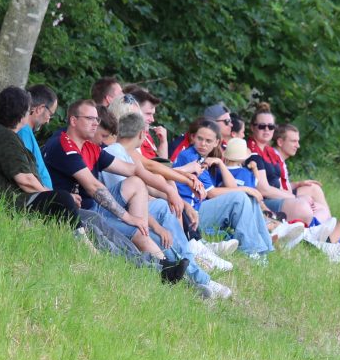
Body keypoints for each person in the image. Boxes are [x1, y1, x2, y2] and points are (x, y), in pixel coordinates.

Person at [42, 99, 188, 282]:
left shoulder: (90, 147)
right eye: (90, 119)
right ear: (73, 120)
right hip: (74, 212)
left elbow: (134, 170)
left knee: (136, 183)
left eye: (96, 119)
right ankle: (162, 267)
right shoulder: (63, 145)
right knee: (133, 229)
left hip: (93, 209)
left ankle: (165, 262)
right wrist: (128, 218)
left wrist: (169, 190)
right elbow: (94, 187)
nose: (95, 123)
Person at [103, 112, 233, 298]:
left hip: (131, 213)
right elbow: (126, 203)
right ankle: (197, 276)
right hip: (118, 216)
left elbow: (150, 183)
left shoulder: (124, 153)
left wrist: (177, 198)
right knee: (161, 227)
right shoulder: (115, 153)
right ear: (142, 134)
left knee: (165, 207)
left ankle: (192, 269)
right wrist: (157, 226)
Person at [0, 86, 80, 226]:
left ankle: (82, 234)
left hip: (5, 198)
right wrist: (51, 196)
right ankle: (80, 236)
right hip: (0, 201)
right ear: (21, 114)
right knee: (63, 199)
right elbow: (25, 180)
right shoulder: (4, 138)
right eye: (28, 111)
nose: (30, 114)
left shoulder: (1, 133)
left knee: (65, 202)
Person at [173, 120, 279, 260]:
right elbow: (212, 193)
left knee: (248, 198)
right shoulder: (190, 157)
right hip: (190, 214)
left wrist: (220, 163)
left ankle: (264, 249)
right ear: (193, 138)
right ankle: (251, 251)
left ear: (216, 142)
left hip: (198, 209)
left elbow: (232, 187)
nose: (203, 144)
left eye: (208, 141)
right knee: (240, 198)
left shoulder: (205, 158)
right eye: (200, 138)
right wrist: (246, 188)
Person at [274, 124, 340, 252]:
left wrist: (298, 184)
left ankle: (326, 229)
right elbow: (273, 188)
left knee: (313, 188)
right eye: (293, 141)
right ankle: (326, 233)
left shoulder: (280, 159)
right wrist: (298, 197)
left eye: (298, 141)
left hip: (283, 195)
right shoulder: (272, 158)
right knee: (319, 208)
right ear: (280, 142)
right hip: (276, 200)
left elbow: (281, 185)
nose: (297, 145)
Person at [245, 102, 321, 227]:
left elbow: (279, 184)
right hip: (261, 202)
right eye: (262, 126)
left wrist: (296, 188)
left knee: (316, 205)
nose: (267, 129)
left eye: (271, 126)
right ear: (252, 128)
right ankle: (312, 230)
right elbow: (263, 189)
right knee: (302, 207)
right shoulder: (251, 151)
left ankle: (322, 231)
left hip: (275, 198)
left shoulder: (270, 153)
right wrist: (294, 197)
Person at [16, 84, 58, 189]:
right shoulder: (23, 131)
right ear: (40, 109)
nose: (48, 121)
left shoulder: (26, 131)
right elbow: (26, 175)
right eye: (50, 115)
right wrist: (51, 195)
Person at [124, 85, 169, 160]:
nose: (152, 120)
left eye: (153, 114)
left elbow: (162, 163)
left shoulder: (145, 134)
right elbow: (148, 165)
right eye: (148, 114)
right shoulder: (126, 136)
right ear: (133, 110)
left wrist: (163, 142)